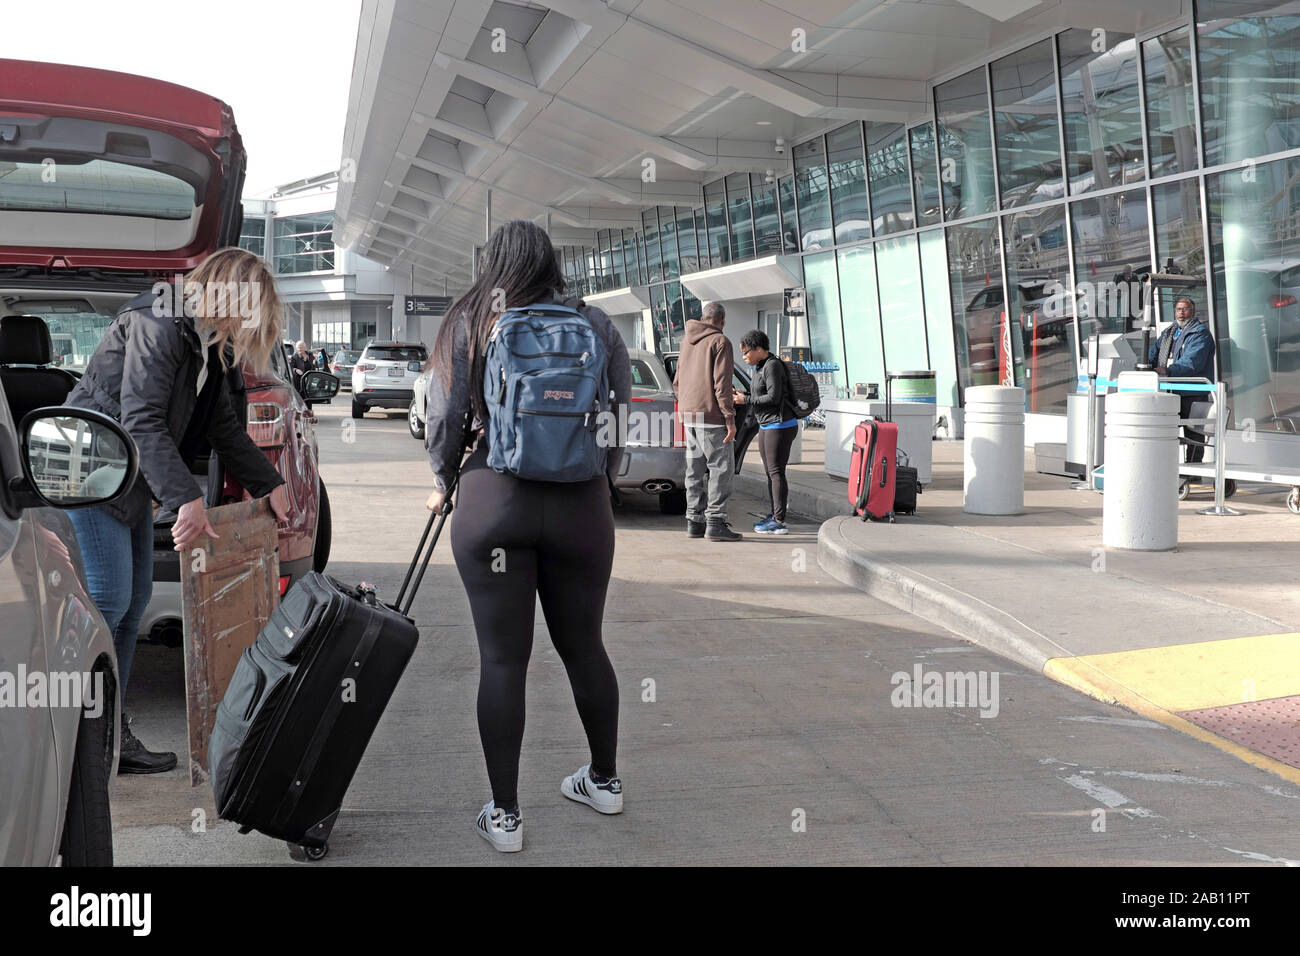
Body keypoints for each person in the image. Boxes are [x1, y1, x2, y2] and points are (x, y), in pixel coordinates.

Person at [423, 218, 630, 853]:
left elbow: (447, 416)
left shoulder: (472, 321)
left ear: (495, 264)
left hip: (495, 504)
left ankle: (506, 817)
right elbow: (619, 416)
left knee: (503, 660)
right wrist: (602, 476)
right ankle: (604, 781)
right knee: (585, 647)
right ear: (553, 263)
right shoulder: (594, 325)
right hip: (581, 508)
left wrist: (443, 478)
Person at [65, 247, 290, 773]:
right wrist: (185, 499)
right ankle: (79, 736)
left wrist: (270, 485)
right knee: (109, 600)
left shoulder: (211, 342)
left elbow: (223, 429)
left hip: (131, 474)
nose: (249, 330)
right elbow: (142, 418)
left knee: (134, 600)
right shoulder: (158, 322)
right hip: (93, 471)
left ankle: (108, 734)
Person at [672, 301, 742, 541]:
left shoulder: (685, 341)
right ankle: (716, 522)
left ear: (704, 318)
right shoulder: (720, 341)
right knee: (721, 469)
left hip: (689, 415)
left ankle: (694, 521)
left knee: (695, 469)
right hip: (712, 416)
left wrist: (684, 407)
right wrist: (730, 418)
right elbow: (722, 385)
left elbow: (677, 380)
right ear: (721, 321)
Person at [734, 330, 796, 534]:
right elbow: (761, 393)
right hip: (766, 424)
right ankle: (775, 514)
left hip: (780, 425)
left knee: (776, 472)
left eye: (746, 353)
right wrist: (746, 395)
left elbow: (774, 397)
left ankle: (779, 520)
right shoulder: (760, 367)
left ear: (759, 349)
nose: (744, 357)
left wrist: (747, 400)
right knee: (770, 472)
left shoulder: (772, 365)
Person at [1148, 297, 1215, 463]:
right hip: (1170, 390)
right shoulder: (1169, 332)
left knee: (1193, 434)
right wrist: (1146, 366)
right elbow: (1153, 353)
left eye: (1185, 309)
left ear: (1193, 311)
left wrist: (1168, 371)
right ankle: (1167, 467)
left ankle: (1193, 471)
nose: (1181, 313)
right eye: (1178, 309)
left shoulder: (1200, 333)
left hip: (1192, 392)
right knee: (1165, 430)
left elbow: (1192, 362)